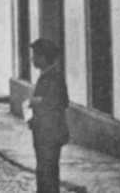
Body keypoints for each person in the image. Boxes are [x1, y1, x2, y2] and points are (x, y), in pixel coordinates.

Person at [28, 38, 70, 193]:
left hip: (50, 134)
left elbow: (58, 103)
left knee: (48, 174)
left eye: (35, 55)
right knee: (44, 172)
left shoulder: (54, 77)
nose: (32, 59)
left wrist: (35, 102)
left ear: (44, 58)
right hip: (43, 134)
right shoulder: (47, 76)